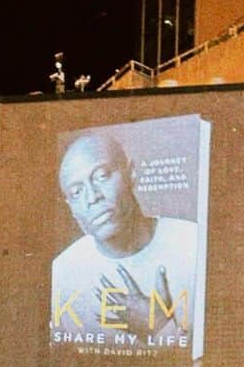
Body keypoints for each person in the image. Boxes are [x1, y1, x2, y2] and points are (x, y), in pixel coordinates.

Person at [51, 130, 198, 351]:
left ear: (131, 173)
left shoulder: (193, 243)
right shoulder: (63, 270)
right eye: (77, 192)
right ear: (71, 208)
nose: (92, 197)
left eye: (101, 176)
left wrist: (160, 329)